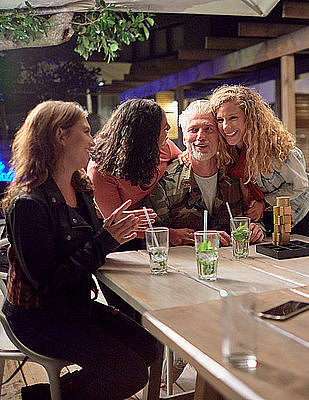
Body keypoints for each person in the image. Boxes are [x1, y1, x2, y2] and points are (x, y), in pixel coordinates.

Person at [1, 101, 162, 400]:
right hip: (36, 317)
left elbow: (89, 245)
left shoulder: (79, 186)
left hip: (73, 305)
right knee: (131, 372)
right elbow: (47, 281)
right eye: (86, 132)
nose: (93, 139)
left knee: (151, 347)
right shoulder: (27, 204)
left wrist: (115, 231)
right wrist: (106, 239)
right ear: (60, 136)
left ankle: (44, 395)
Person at [148, 100, 264, 245]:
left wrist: (256, 229)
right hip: (185, 263)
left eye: (208, 129)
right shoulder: (165, 181)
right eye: (193, 130)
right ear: (184, 138)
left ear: (220, 136)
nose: (201, 136)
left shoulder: (236, 175)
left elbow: (257, 218)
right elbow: (154, 234)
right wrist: (199, 238)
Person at [210, 85, 309, 235]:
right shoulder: (228, 151)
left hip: (297, 212)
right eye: (220, 120)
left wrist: (265, 202)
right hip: (264, 214)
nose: (226, 126)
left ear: (250, 119)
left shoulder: (279, 151)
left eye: (233, 118)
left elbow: (300, 186)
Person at [87, 99, 186, 243]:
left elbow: (183, 160)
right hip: (112, 234)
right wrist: (169, 234)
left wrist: (187, 156)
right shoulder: (101, 169)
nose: (170, 128)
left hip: (150, 223)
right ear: (146, 135)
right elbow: (117, 224)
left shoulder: (163, 147)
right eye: (164, 127)